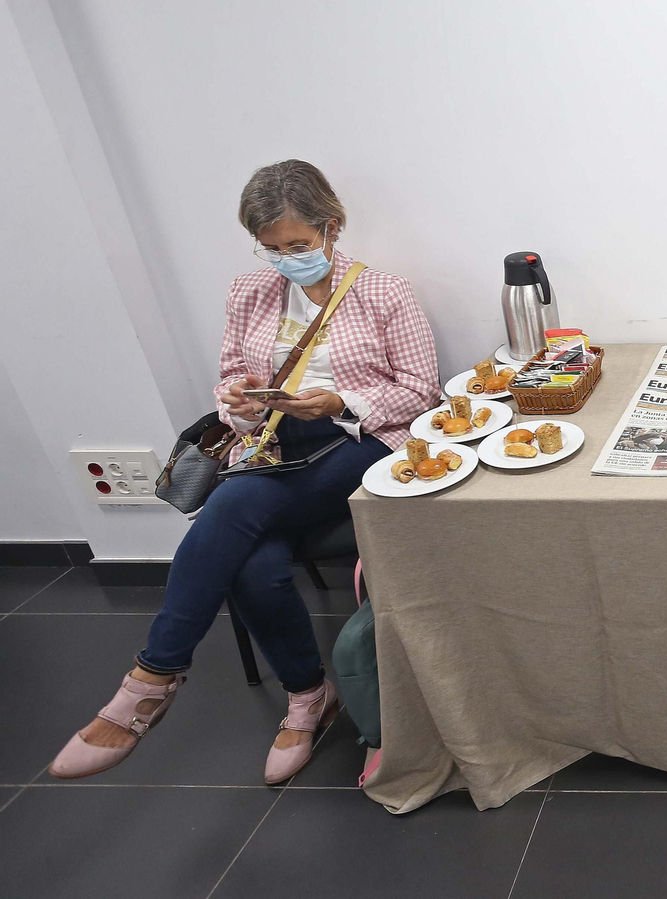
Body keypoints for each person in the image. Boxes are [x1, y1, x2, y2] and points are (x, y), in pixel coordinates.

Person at [50, 160, 441, 784]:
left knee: (231, 512)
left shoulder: (383, 292)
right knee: (252, 560)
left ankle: (152, 679)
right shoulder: (249, 292)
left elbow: (422, 391)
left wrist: (340, 401)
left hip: (357, 439)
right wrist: (240, 397)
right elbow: (232, 373)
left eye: (298, 246)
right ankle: (307, 696)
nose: (285, 259)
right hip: (272, 443)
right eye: (272, 249)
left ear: (331, 228)